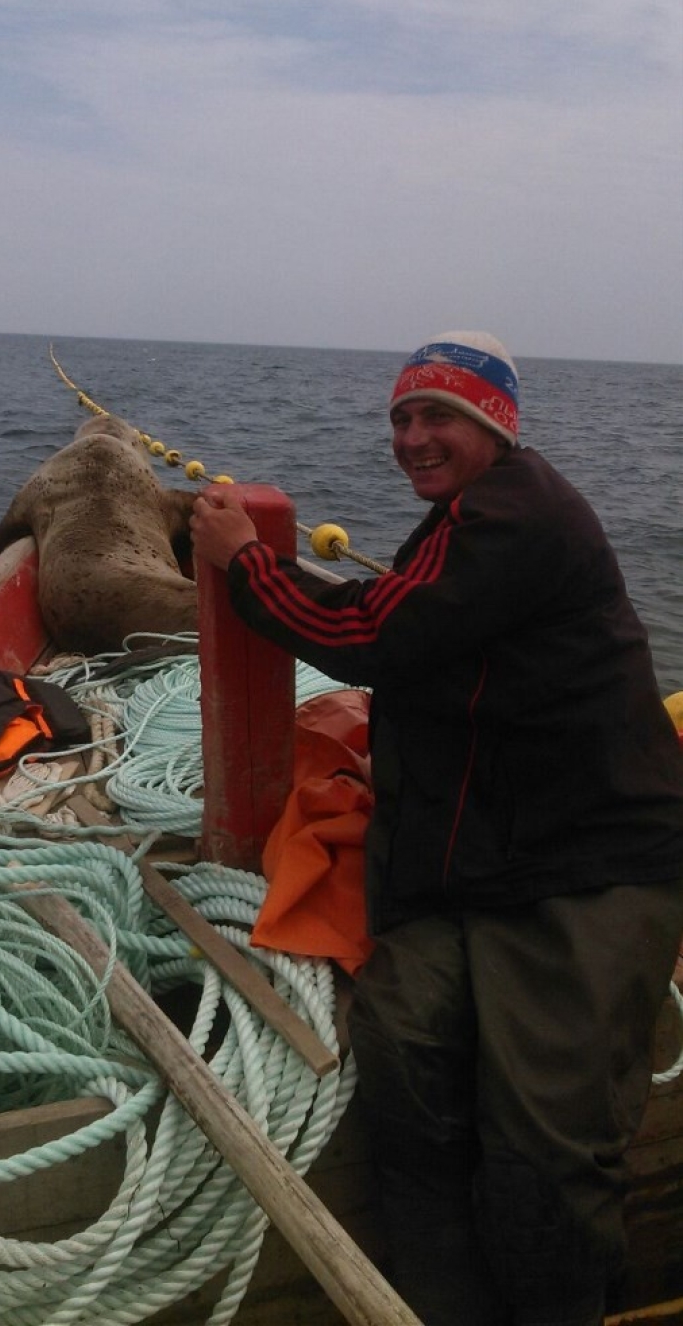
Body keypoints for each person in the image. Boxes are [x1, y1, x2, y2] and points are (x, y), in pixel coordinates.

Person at [189, 331, 683, 1326]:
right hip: (468, 865)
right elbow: (421, 632)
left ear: (495, 425)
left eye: (439, 416)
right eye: (401, 418)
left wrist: (246, 562)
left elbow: (367, 634)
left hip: (580, 861)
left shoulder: (518, 514)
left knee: (542, 1142)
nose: (412, 437)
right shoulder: (467, 519)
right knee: (406, 1059)